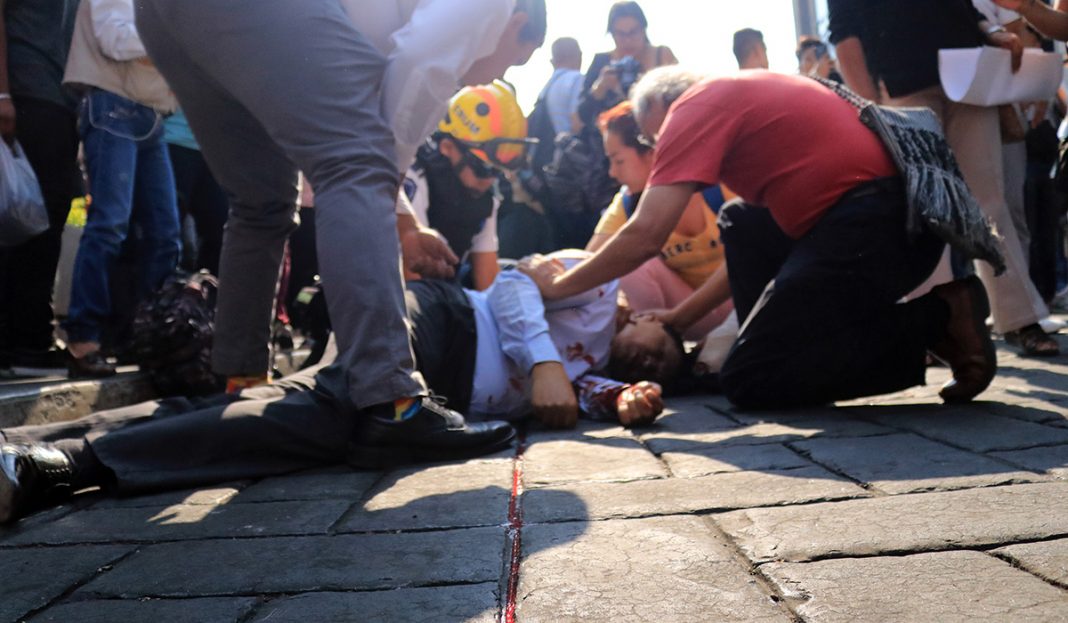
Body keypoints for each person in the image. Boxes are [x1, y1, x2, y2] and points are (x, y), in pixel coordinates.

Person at [132, 0, 547, 460]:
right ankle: (394, 404)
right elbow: (416, 70)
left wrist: (399, 215)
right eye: (515, 58)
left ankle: (241, 385)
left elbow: (364, 129)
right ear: (519, 22)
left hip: (167, 15)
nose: (494, 77)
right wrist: (382, 184)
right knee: (354, 166)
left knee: (262, 201)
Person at [0, 251, 675, 524]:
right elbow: (519, 281)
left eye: (665, 369)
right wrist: (541, 359)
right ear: (649, 313)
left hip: (433, 386)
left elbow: (589, 394)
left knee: (291, 407)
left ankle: (40, 446)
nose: (656, 357)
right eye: (666, 342)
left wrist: (622, 400)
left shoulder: (597, 373)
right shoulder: (599, 286)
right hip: (438, 320)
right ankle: (57, 467)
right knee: (325, 417)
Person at [519, 66, 999, 410]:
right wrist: (679, 319)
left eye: (650, 140)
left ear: (666, 109)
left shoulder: (694, 104)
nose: (656, 150)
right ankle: (772, 347)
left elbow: (645, 235)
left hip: (871, 224)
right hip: (878, 223)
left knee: (750, 381)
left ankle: (938, 320)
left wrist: (558, 288)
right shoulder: (743, 93)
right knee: (741, 220)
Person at [828, 0, 1060, 357]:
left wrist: (990, 32)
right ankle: (935, 328)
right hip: (903, 84)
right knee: (925, 209)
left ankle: (1018, 319)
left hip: (968, 73)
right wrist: (869, 104)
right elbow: (845, 32)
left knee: (989, 202)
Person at [61, 0, 182, 379]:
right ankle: (83, 341)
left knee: (166, 235)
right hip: (112, 106)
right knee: (109, 225)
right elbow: (116, 40)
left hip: (151, 116)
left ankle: (146, 336)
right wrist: (174, 38)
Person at [586, 101, 733, 341]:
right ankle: (654, 350)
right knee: (625, 258)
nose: (612, 172)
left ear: (653, 154)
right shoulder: (627, 202)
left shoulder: (721, 185)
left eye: (618, 160)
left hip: (746, 305)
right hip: (692, 314)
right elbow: (590, 261)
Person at [0, 0, 81, 378]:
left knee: (43, 217)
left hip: (59, 99)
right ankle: (28, 343)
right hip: (28, 90)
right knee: (32, 219)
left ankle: (21, 340)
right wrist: (2, 93)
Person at [404, 82, 534, 291]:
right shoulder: (416, 175)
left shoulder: (485, 199)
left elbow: (488, 279)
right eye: (483, 167)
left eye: (497, 171)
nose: (490, 179)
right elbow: (408, 275)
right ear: (448, 147)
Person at [577, 1, 677, 128]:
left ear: (643, 29)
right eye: (621, 34)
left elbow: (682, 99)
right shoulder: (601, 62)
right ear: (612, 34)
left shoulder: (662, 55)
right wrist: (600, 88)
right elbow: (582, 115)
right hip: (613, 143)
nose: (628, 40)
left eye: (633, 32)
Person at [540, 37, 584, 136]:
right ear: (579, 55)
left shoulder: (547, 87)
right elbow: (576, 122)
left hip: (548, 147)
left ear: (553, 60)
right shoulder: (576, 79)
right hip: (569, 146)